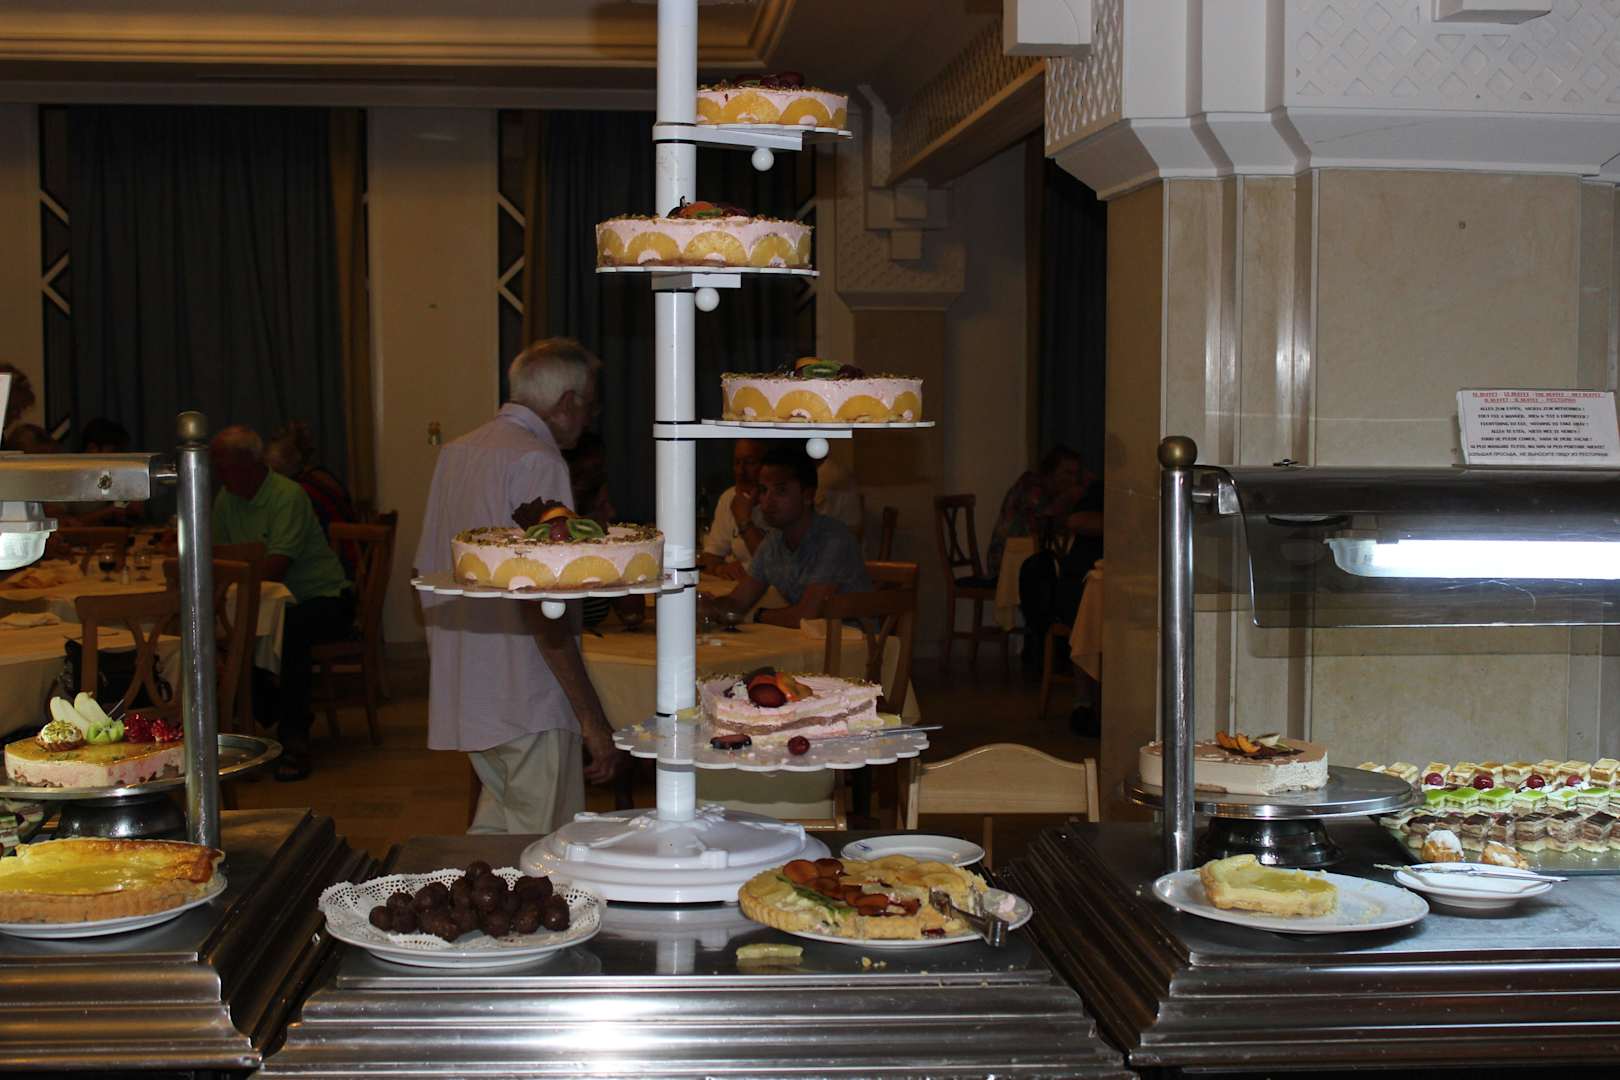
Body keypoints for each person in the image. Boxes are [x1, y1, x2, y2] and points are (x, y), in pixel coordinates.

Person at [415, 338, 624, 835]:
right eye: (589, 406)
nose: (588, 420)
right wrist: (591, 719)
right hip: (527, 693)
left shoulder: (458, 452)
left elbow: (425, 568)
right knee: (543, 851)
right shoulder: (537, 459)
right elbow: (544, 602)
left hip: (469, 686)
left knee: (497, 838)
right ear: (567, 402)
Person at [211, 425, 354, 782]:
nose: (219, 474)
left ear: (250, 463)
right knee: (219, 633)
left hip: (321, 596)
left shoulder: (287, 496)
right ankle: (255, 716)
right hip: (261, 601)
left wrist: (233, 568)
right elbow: (216, 556)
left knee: (291, 632)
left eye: (224, 466)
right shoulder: (226, 499)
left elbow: (277, 565)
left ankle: (294, 739)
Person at [700, 442, 871, 629]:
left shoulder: (834, 540)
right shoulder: (773, 542)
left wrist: (758, 615)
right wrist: (708, 606)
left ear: (808, 496)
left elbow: (806, 616)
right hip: (811, 643)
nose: (767, 502)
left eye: (780, 491)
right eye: (763, 490)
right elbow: (738, 603)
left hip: (859, 643)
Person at [698, 439, 766, 580]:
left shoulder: (779, 503)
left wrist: (743, 520)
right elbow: (710, 556)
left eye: (749, 462)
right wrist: (720, 568)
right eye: (737, 463)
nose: (741, 471)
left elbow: (771, 565)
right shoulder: (729, 497)